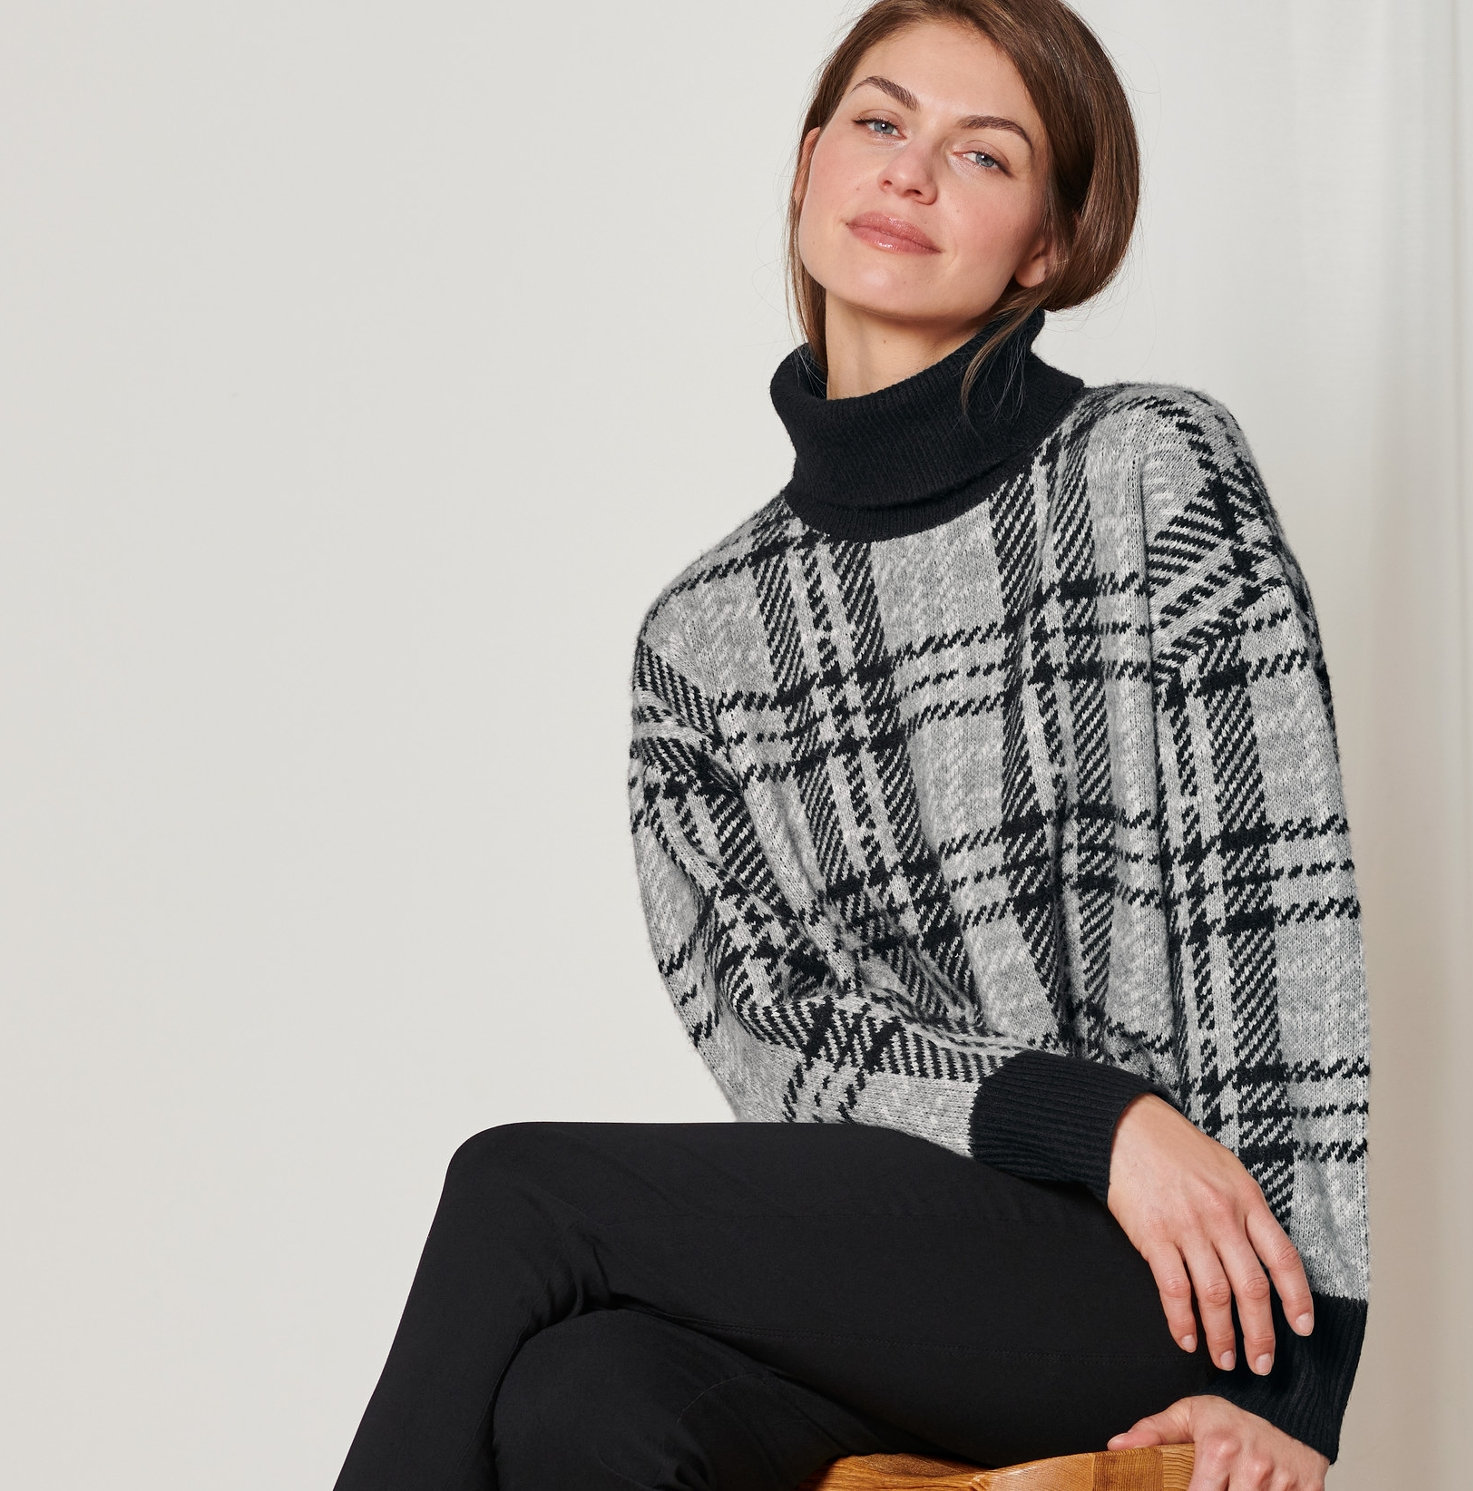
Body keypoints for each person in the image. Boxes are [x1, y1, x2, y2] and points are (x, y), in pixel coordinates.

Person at [331, 3, 1370, 1489]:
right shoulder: (701, 637)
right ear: (814, 160)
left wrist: (1299, 1389)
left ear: (1047, 246)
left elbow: (1281, 912)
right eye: (880, 124)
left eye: (983, 153)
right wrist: (1072, 1116)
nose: (910, 173)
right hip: (906, 1285)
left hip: (1174, 1282)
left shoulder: (1149, 470)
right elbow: (772, 1034)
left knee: (523, 1192)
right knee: (581, 1392)